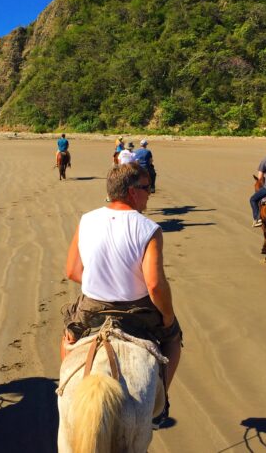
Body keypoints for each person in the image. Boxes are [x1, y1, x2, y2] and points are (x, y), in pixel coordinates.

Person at [62, 162, 182, 427]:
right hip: (136, 310)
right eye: (146, 188)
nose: (150, 193)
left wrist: (100, 278)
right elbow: (154, 285)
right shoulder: (149, 228)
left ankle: (64, 390)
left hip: (92, 308)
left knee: (69, 337)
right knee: (173, 339)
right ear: (131, 192)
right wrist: (168, 315)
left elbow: (72, 270)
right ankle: (159, 405)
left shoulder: (87, 219)